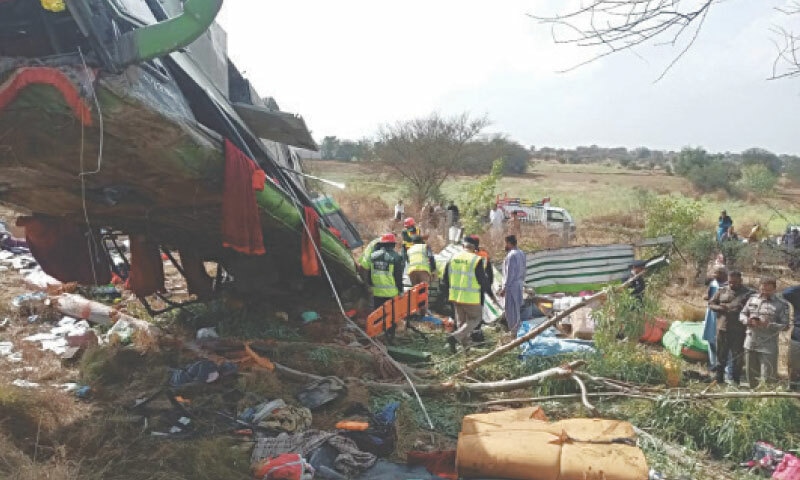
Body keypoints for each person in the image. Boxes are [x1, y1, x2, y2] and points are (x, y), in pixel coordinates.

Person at [442, 236, 491, 353]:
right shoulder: (476, 259)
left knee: (461, 322)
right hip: (470, 297)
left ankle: (466, 349)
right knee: (476, 318)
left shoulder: (452, 258)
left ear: (463, 246)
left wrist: (446, 295)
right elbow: (482, 280)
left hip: (455, 296)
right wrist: (489, 292)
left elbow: (445, 279)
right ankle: (455, 337)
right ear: (474, 248)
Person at [739, 277, 790, 388]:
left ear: (774, 289)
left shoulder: (781, 304)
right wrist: (747, 320)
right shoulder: (752, 299)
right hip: (751, 341)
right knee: (751, 374)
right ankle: (753, 396)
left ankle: (766, 399)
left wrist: (768, 325)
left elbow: (786, 326)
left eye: (768, 290)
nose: (764, 292)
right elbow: (742, 314)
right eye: (762, 289)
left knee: (768, 376)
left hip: (768, 345)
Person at [708, 271, 753, 385]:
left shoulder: (748, 293)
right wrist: (720, 308)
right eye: (730, 282)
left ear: (741, 281)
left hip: (739, 330)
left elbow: (752, 309)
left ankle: (736, 380)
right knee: (721, 355)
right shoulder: (722, 290)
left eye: (735, 282)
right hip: (722, 328)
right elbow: (711, 303)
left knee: (737, 356)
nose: (732, 284)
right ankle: (719, 379)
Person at [367, 233, 405, 310]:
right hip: (391, 293)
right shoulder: (396, 257)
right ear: (393, 244)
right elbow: (398, 276)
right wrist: (401, 290)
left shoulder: (373, 256)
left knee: (378, 316)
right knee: (391, 316)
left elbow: (369, 273)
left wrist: (371, 285)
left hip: (377, 292)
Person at [498, 235, 526, 335]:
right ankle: (516, 332)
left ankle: (514, 334)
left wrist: (504, 288)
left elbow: (510, 274)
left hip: (511, 286)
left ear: (509, 243)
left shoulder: (512, 255)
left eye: (505, 243)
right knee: (516, 310)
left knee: (510, 311)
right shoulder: (521, 253)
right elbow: (523, 271)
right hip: (518, 284)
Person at [703, 267, 728, 375]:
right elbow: (706, 296)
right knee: (710, 339)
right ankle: (713, 364)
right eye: (714, 273)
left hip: (722, 316)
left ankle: (725, 367)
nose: (715, 275)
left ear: (724, 275)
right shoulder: (713, 283)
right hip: (711, 314)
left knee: (722, 341)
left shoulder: (728, 285)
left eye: (717, 274)